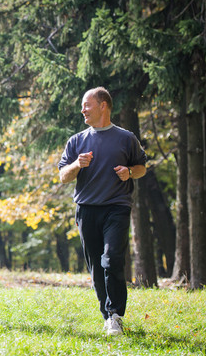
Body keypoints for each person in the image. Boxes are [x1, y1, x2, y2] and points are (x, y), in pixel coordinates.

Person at [58, 87, 147, 336]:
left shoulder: (126, 138)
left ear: (103, 105)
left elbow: (141, 167)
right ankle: (106, 315)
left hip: (117, 207)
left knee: (112, 260)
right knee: (97, 266)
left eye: (87, 105)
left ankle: (116, 314)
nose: (83, 110)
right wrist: (78, 163)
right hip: (87, 210)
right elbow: (63, 176)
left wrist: (129, 172)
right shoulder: (76, 140)